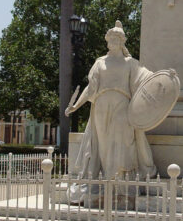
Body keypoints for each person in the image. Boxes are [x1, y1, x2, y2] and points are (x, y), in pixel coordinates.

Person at [65, 21, 156, 184]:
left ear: (122, 41)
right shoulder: (100, 62)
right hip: (101, 106)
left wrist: (164, 77)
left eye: (116, 39)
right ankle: (106, 180)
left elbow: (149, 78)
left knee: (123, 141)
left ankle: (121, 179)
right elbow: (90, 88)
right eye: (110, 39)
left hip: (122, 105)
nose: (112, 42)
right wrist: (76, 106)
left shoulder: (131, 63)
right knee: (104, 145)